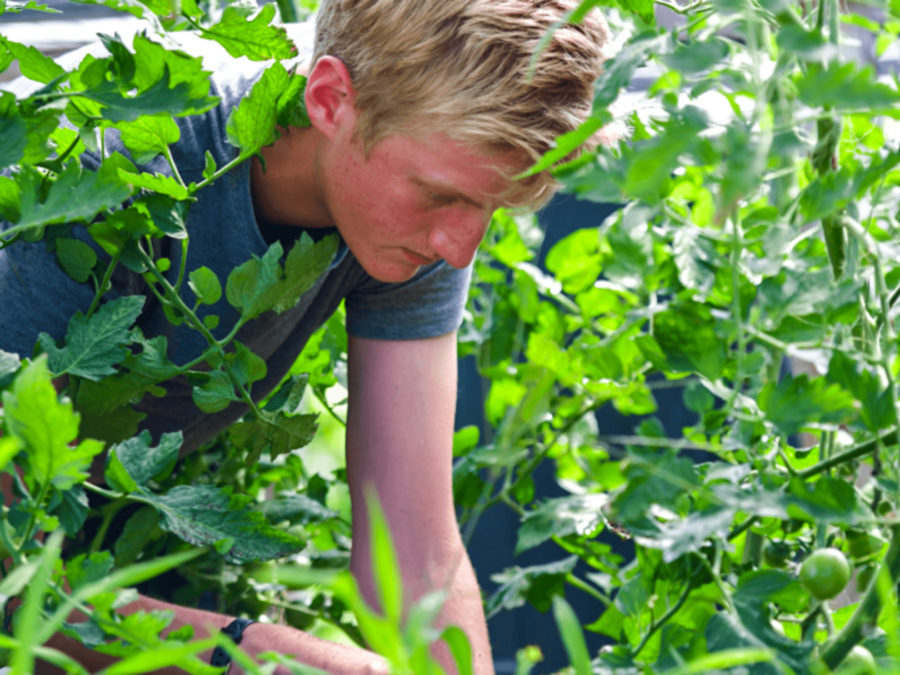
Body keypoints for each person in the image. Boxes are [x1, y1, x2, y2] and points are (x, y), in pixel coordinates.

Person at [0, 0, 609, 671]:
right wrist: (248, 652)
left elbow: (417, 558)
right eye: (445, 196)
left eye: (491, 207)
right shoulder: (88, 173)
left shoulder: (409, 213)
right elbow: (9, 581)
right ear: (328, 99)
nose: (461, 248)